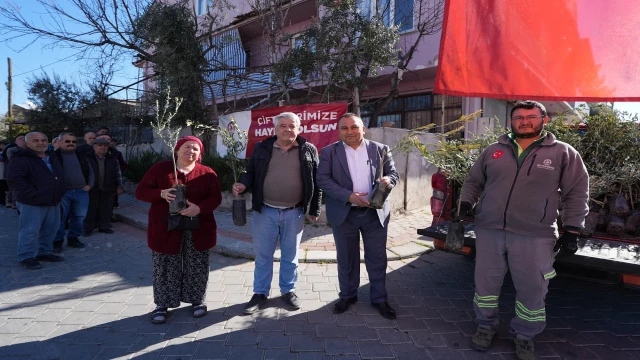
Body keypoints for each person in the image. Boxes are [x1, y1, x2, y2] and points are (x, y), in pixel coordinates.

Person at [459, 101, 589, 360]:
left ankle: (525, 335)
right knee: (485, 285)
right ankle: (485, 326)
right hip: (489, 230)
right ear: (511, 121)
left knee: (532, 288)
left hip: (535, 234)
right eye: (519, 117)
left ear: (544, 120)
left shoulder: (563, 152)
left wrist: (573, 229)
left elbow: (577, 192)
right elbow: (474, 180)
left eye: (531, 117)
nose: (524, 121)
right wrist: (466, 203)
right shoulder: (494, 150)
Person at [232, 112, 322, 314]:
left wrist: (314, 208)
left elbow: (317, 182)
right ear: (275, 128)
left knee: (290, 256)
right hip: (266, 211)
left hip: (295, 212)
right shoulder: (262, 147)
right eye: (283, 125)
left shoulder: (308, 149)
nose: (288, 129)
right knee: (263, 256)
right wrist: (242, 184)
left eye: (292, 126)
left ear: (298, 128)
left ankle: (288, 291)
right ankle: (260, 293)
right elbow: (251, 172)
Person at [316, 113, 399, 319]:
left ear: (363, 129)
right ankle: (348, 295)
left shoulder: (380, 149)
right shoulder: (329, 152)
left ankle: (379, 298)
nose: (349, 132)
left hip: (375, 213)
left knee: (377, 258)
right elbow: (322, 179)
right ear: (339, 131)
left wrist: (388, 180)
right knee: (346, 258)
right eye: (344, 128)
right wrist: (349, 196)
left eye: (354, 127)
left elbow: (394, 174)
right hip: (344, 213)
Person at [136, 136, 222, 323]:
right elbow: (140, 191)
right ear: (177, 149)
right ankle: (162, 304)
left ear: (200, 154)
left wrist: (199, 208)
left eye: (195, 149)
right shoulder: (161, 169)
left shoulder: (207, 172)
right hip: (165, 228)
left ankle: (197, 300)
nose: (191, 151)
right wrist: (160, 193)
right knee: (165, 265)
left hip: (199, 228)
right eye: (187, 147)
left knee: (197, 265)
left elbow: (215, 198)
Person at [6, 132, 65, 269]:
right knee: (30, 230)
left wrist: (60, 190)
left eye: (43, 140)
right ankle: (26, 256)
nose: (41, 143)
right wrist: (34, 193)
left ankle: (44, 253)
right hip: (32, 202)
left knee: (51, 229)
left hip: (53, 200)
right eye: (36, 140)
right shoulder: (20, 158)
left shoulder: (52, 157)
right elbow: (15, 180)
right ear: (27, 144)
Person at [53, 133, 94, 252]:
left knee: (79, 217)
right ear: (60, 142)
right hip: (62, 193)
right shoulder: (53, 156)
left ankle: (73, 238)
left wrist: (90, 185)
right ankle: (57, 242)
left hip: (81, 191)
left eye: (73, 141)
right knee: (60, 218)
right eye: (67, 141)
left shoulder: (81, 155)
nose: (71, 143)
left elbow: (91, 171)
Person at [83, 138, 123, 236]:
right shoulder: (87, 158)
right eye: (100, 145)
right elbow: (83, 172)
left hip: (108, 187)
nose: (103, 147)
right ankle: (88, 228)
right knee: (91, 209)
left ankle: (104, 226)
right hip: (92, 188)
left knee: (106, 208)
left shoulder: (112, 158)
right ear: (94, 146)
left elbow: (118, 173)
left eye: (105, 145)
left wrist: (120, 185)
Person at [4, 134, 28, 208]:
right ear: (15, 142)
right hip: (15, 172)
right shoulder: (11, 150)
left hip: (26, 172)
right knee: (13, 188)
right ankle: (12, 202)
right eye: (20, 138)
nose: (22, 140)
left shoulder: (30, 150)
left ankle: (13, 202)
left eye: (24, 138)